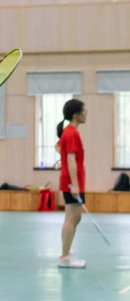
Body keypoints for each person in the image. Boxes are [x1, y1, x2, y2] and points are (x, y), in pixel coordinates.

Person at [56, 99, 87, 268]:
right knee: (71, 217)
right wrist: (74, 184)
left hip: (75, 181)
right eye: (84, 111)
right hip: (72, 183)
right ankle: (64, 257)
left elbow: (59, 148)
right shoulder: (71, 133)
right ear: (76, 115)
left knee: (77, 217)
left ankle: (67, 253)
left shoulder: (69, 132)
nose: (86, 114)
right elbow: (70, 158)